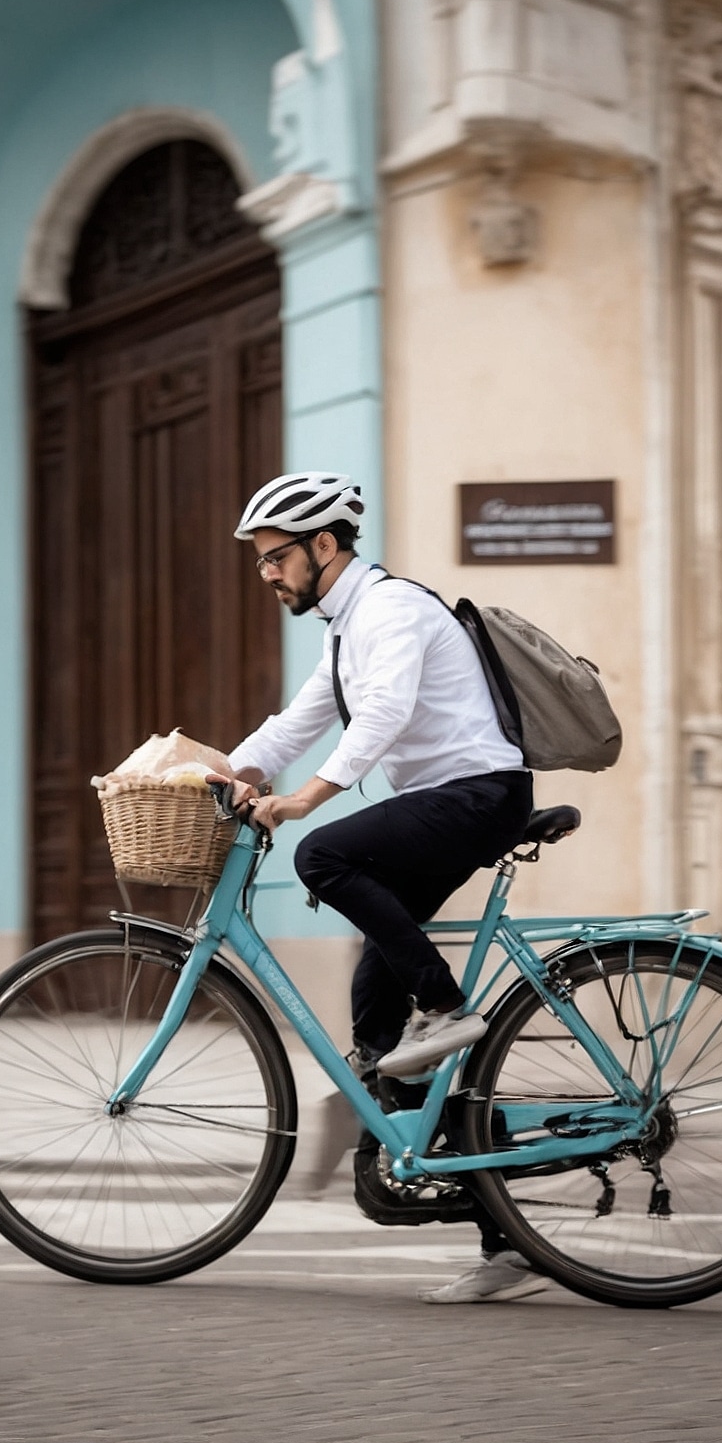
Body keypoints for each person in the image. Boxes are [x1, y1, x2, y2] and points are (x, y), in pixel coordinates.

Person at [216, 471, 546, 1304]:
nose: (267, 574)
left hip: (477, 797)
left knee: (323, 855)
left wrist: (302, 800)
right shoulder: (343, 627)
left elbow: (385, 715)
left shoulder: (392, 608)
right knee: (377, 1013)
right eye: (260, 561)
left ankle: (449, 1007)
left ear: (325, 545)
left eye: (276, 557)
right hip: (444, 802)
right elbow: (298, 721)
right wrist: (220, 769)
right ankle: (505, 1238)